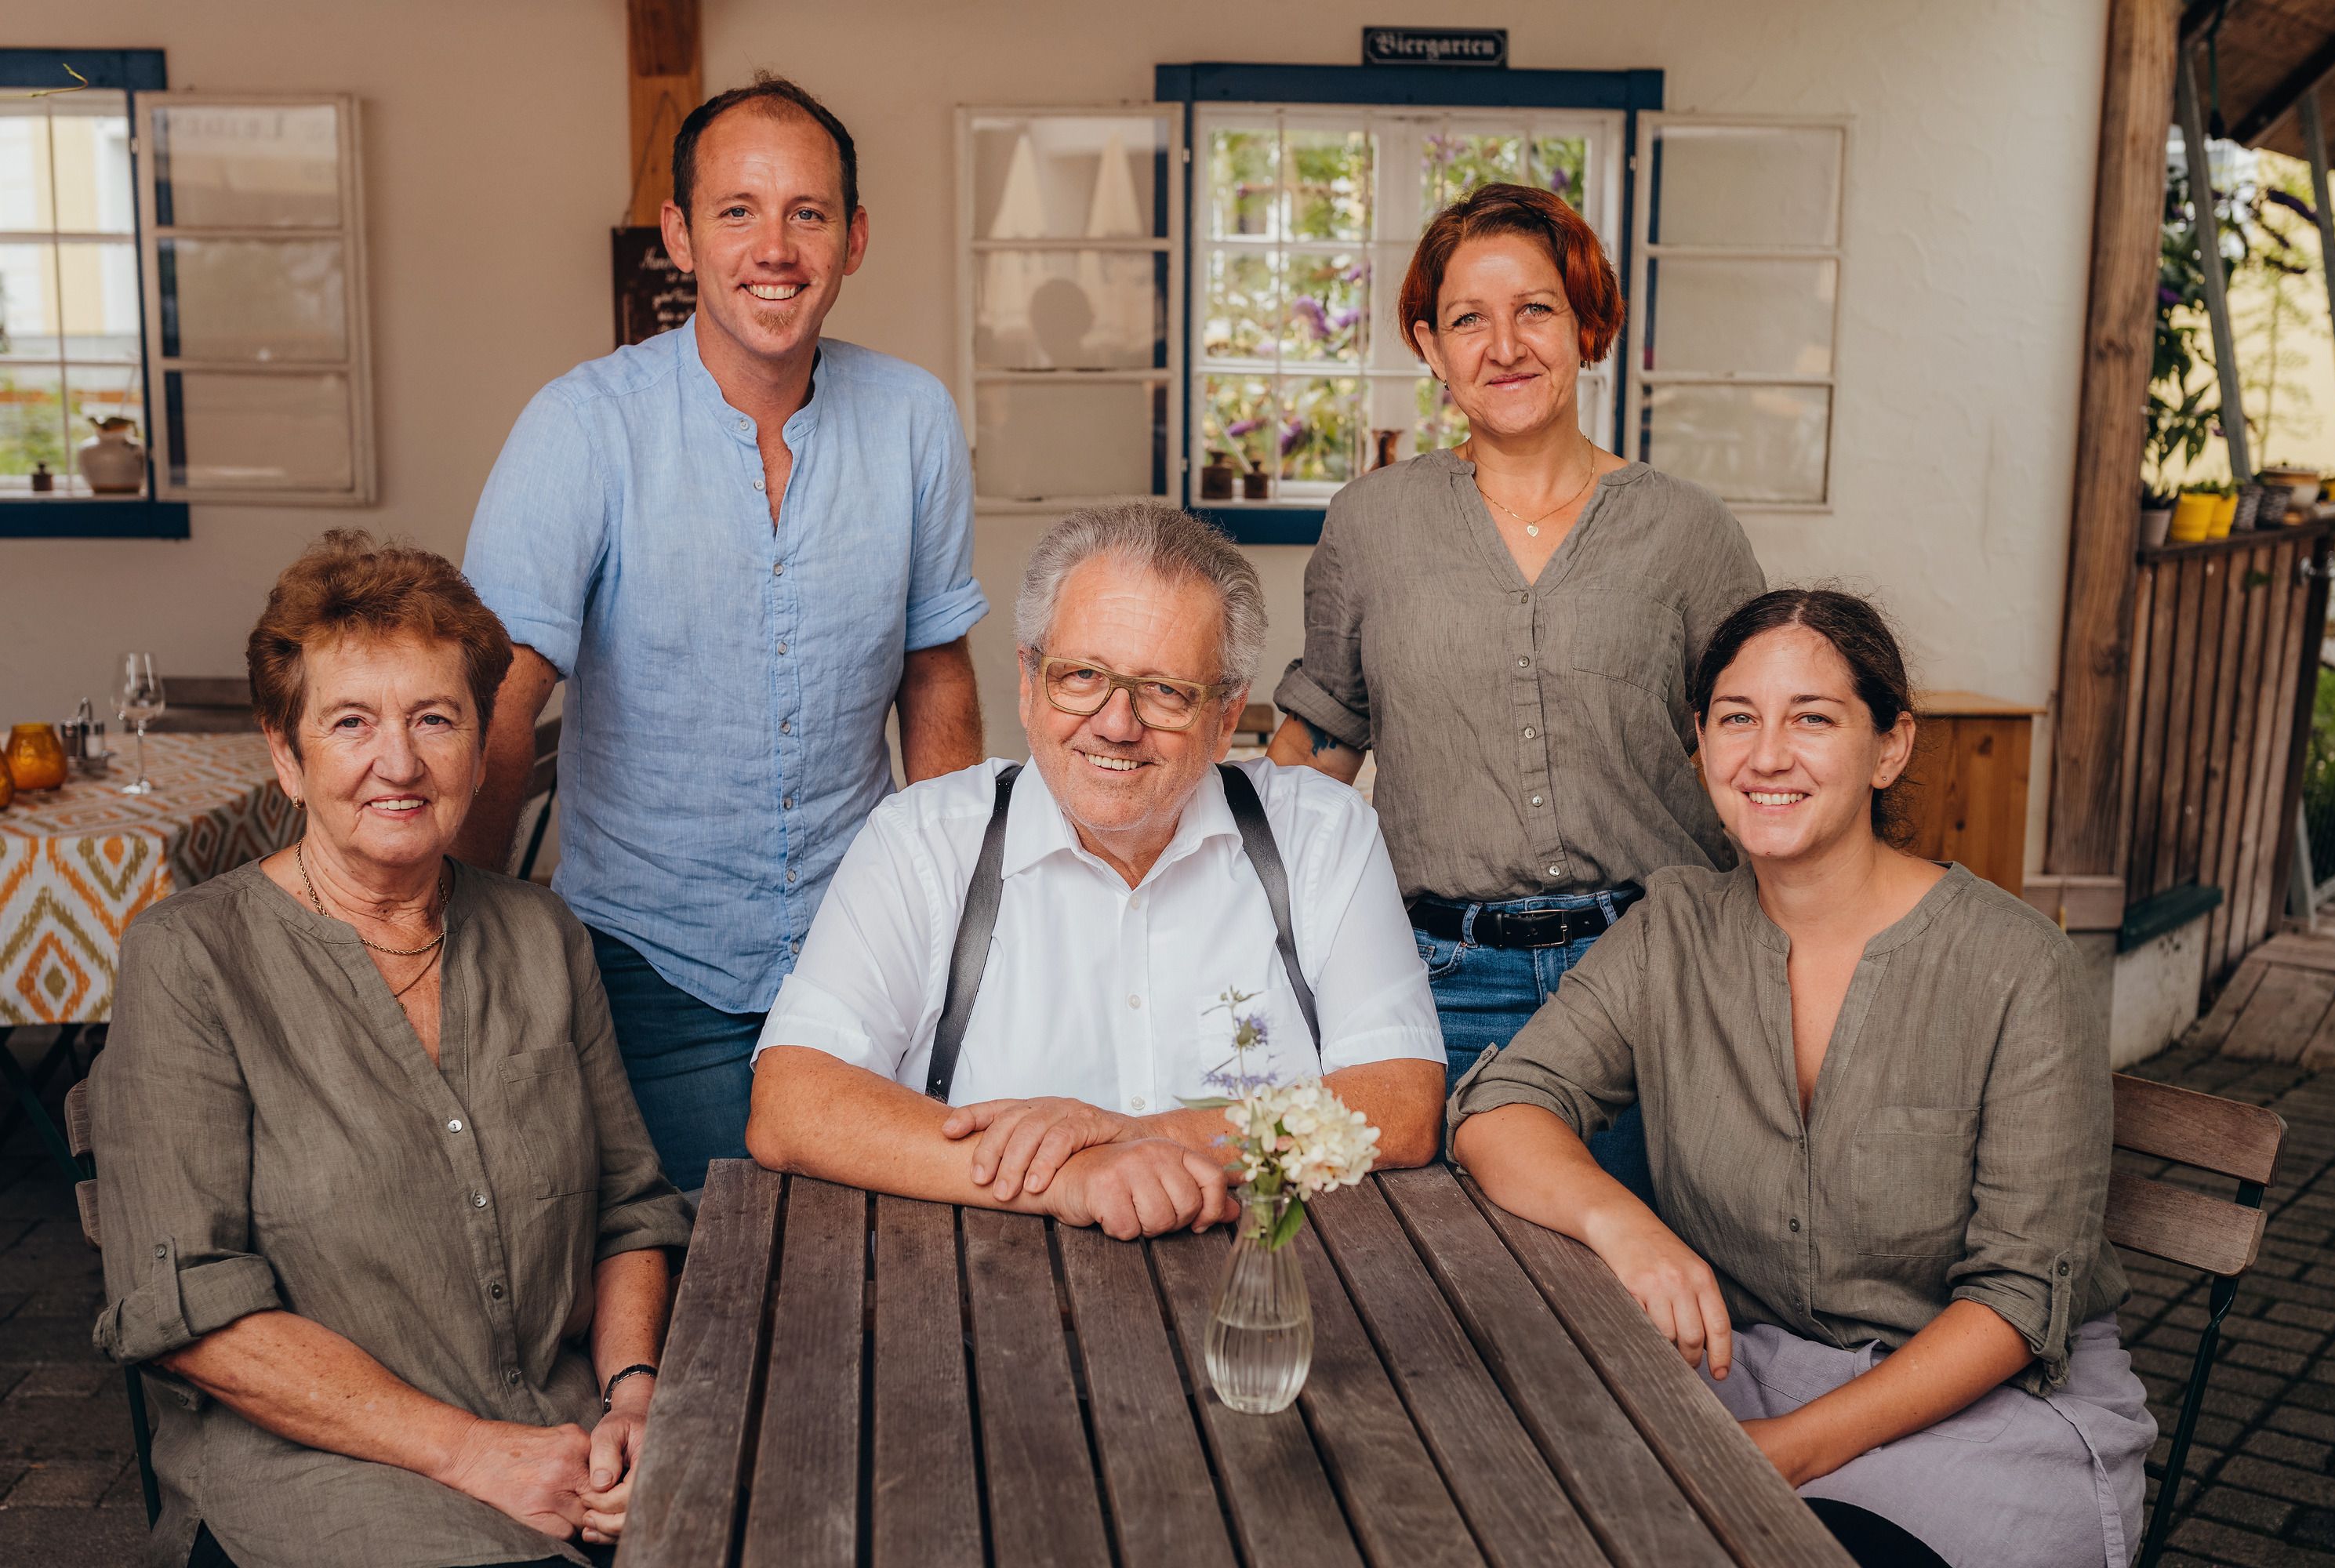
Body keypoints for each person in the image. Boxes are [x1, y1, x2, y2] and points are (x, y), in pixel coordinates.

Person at [1449, 588, 2155, 1568]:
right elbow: (1503, 1104)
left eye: (1812, 718)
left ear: (1890, 747)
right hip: (1742, 1370)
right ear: (1701, 744)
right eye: (1737, 718)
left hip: (1977, 1413)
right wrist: (1627, 1225)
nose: (1766, 754)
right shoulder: (1674, 929)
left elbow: (2017, 1302)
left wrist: (1779, 1453)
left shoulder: (2017, 966)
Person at [90, 533, 695, 1568]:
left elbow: (629, 1205)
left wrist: (634, 1395)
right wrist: (478, 1456)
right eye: (353, 723)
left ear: (478, 743)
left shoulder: (544, 938)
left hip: (568, 1446)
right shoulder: (190, 959)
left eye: (435, 720)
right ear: (288, 753)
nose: (400, 763)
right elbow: (188, 1308)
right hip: (323, 1481)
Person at [458, 73, 988, 1195]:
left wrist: (958, 923)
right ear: (681, 237)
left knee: (889, 1262)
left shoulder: (914, 420)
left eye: (807, 213)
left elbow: (935, 672)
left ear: (853, 240)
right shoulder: (582, 428)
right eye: (737, 210)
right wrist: (461, 943)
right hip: (651, 969)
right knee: (684, 1270)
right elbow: (500, 699)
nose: (774, 247)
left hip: (870, 953)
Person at [746, 504, 1446, 1236]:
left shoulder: (1320, 835)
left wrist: (1141, 1138)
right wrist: (1069, 1179)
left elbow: (1400, 1101)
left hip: (1270, 1290)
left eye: (1166, 691)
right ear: (1028, 678)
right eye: (1081, 676)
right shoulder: (922, 842)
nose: (1116, 723)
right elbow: (793, 1103)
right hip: (974, 1298)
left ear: (1227, 713)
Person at [1268, 182, 1765, 1204]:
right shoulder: (1371, 524)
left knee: (1637, 1288)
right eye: (1468, 319)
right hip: (1438, 978)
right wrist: (1264, 939)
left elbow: (1759, 755)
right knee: (1443, 1290)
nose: (1505, 346)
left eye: (1535, 309)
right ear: (1430, 344)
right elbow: (1319, 745)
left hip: (1651, 974)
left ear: (1588, 325)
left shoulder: (1687, 532)